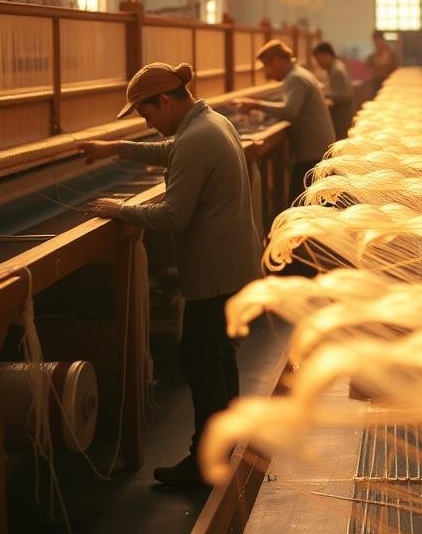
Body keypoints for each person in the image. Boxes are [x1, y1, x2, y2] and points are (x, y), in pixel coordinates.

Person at [78, 61, 259, 490]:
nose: (148, 123)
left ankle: (205, 464)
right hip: (232, 265)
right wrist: (115, 147)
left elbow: (175, 216)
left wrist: (120, 210)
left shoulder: (197, 138)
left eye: (147, 114)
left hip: (213, 274)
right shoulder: (212, 123)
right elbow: (172, 150)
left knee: (201, 363)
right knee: (218, 359)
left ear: (164, 100)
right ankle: (224, 448)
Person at [235, 39, 335, 203]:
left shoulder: (294, 78)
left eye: (267, 66)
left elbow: (290, 110)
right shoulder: (298, 74)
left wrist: (256, 104)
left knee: (301, 204)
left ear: (276, 61)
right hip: (318, 148)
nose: (267, 73)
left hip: (312, 154)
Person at [312, 41, 354, 140]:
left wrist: (324, 94)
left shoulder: (336, 71)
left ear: (327, 55)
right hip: (344, 116)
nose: (319, 64)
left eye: (319, 60)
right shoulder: (336, 66)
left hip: (342, 118)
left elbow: (344, 95)